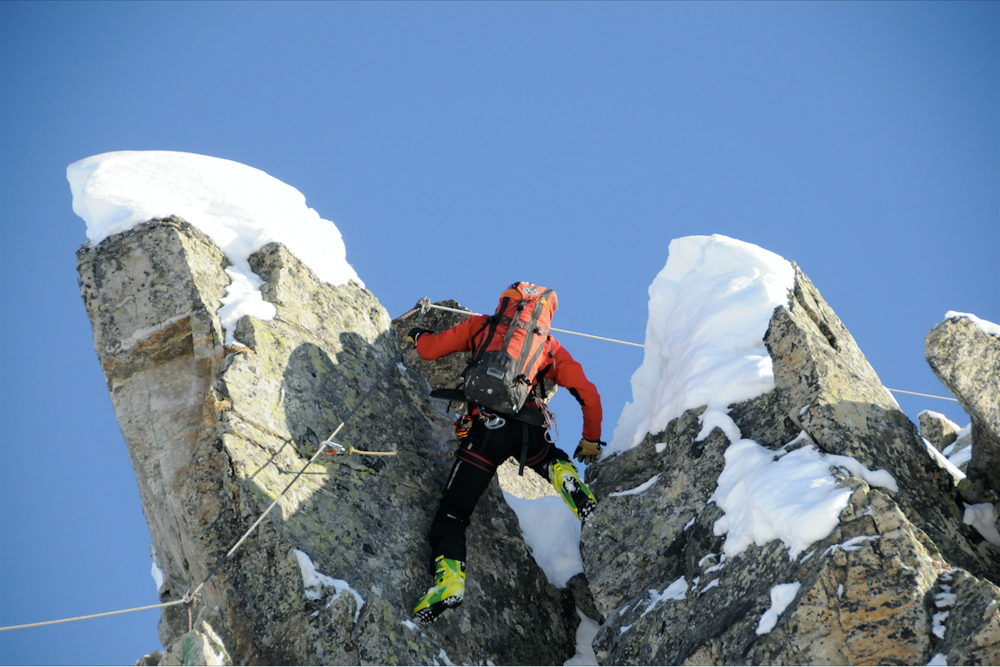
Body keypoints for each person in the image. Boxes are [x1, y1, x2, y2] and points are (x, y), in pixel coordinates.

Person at [406, 283, 604, 624]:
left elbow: (428, 351)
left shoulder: (482, 326)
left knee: (452, 516)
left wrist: (417, 334)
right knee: (548, 457)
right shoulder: (548, 346)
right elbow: (588, 393)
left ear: (505, 304)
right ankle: (566, 479)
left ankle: (450, 581)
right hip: (527, 427)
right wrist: (590, 440)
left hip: (486, 432)